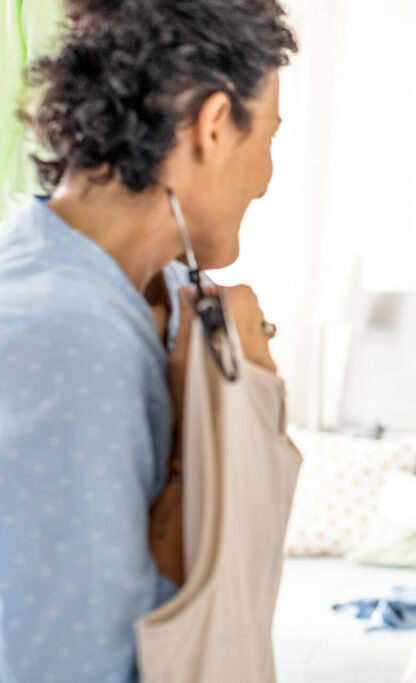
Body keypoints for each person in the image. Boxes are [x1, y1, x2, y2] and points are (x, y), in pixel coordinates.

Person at [0, 1, 296, 680]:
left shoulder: (150, 291)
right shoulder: (64, 340)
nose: (268, 176)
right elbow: (73, 666)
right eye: (271, 138)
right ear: (215, 126)